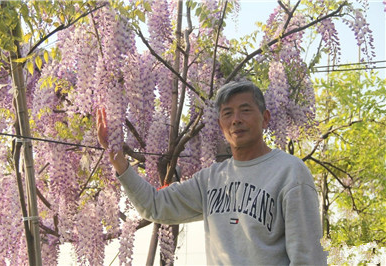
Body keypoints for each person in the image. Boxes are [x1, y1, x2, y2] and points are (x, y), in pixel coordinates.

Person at [97, 81, 327, 265]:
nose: (236, 120)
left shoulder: (290, 173)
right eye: (228, 113)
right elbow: (155, 206)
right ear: (220, 125)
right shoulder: (212, 179)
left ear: (265, 118)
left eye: (245, 110)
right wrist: (118, 161)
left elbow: (307, 258)